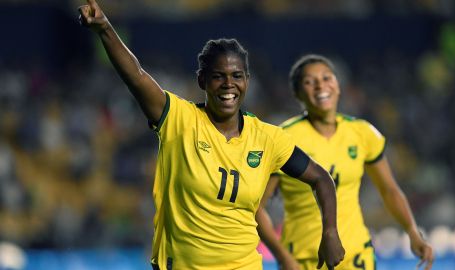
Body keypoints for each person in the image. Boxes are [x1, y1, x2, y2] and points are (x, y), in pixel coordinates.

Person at [77, 1, 345, 269]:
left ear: (247, 81)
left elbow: (321, 178)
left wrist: (330, 232)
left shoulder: (268, 139)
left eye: (237, 75)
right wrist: (105, 29)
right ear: (202, 81)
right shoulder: (178, 120)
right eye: (218, 76)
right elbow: (136, 76)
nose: (229, 84)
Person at [256, 54, 434, 270]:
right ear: (298, 93)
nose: (320, 85)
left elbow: (389, 190)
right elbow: (256, 208)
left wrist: (413, 232)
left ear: (338, 85)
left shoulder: (362, 133)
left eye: (327, 78)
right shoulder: (283, 138)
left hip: (356, 256)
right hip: (303, 260)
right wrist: (283, 257)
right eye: (310, 81)